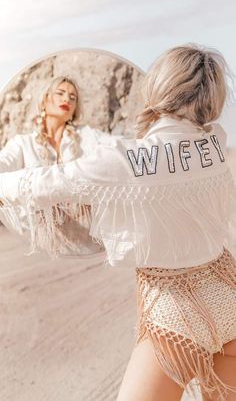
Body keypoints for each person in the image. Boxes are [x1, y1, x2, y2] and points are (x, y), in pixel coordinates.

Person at [0, 45, 236, 400]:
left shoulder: (124, 160)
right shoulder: (216, 143)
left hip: (174, 317)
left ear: (159, 87)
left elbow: (42, 184)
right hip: (228, 293)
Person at [0, 75, 112, 257]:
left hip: (88, 246)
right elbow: (3, 163)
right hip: (38, 247)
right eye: (60, 93)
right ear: (45, 100)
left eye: (73, 97)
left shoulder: (87, 136)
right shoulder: (23, 144)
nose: (67, 99)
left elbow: (116, 147)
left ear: (75, 109)